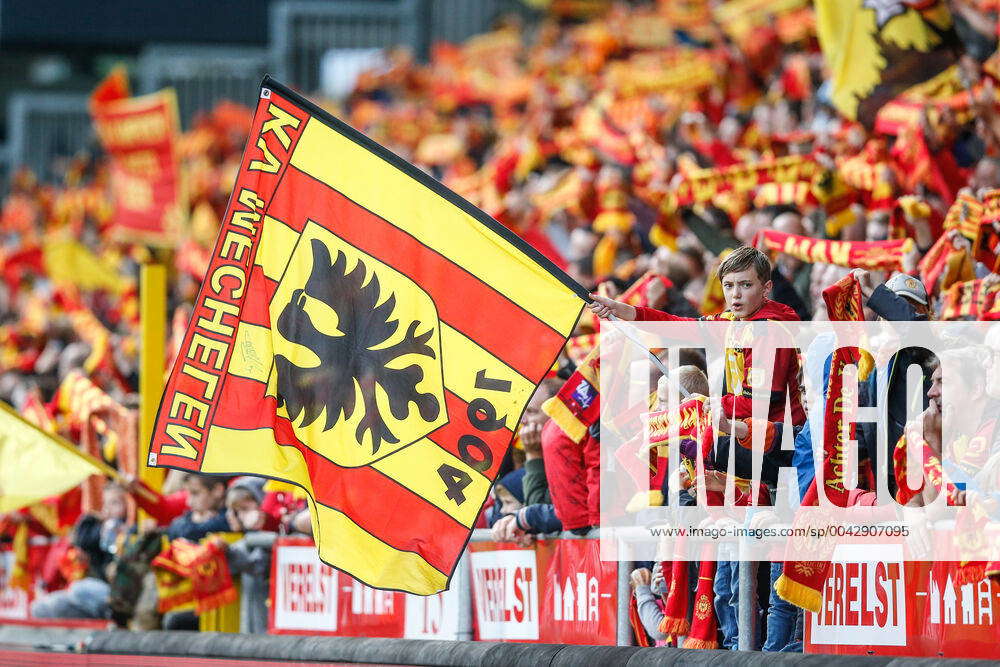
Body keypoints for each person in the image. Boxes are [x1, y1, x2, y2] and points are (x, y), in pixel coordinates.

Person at [31, 481, 129, 620]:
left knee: (80, 588)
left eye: (115, 503)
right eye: (105, 504)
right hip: (94, 595)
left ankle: (115, 618)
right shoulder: (101, 527)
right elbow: (82, 540)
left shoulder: (132, 530)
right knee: (40, 608)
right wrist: (94, 518)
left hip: (116, 597)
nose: (108, 509)